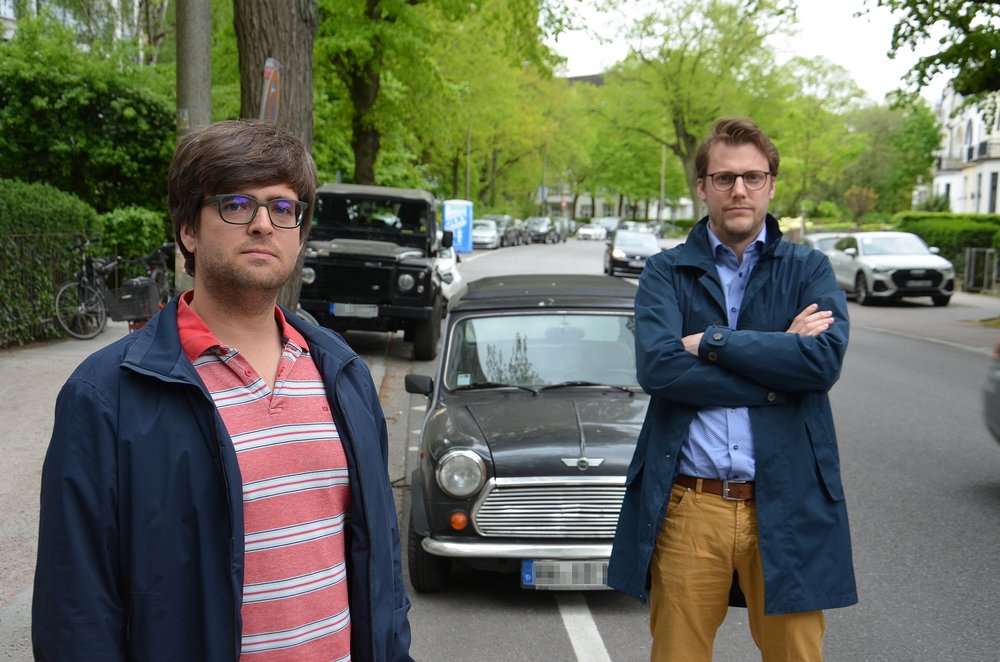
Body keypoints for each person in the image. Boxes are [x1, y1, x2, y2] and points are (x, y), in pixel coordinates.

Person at [32, 119, 413, 661]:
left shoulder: (341, 374)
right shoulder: (106, 395)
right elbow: (75, 610)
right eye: (237, 204)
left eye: (283, 209)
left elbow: (382, 571)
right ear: (189, 229)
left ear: (299, 233)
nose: (263, 224)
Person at [608, 117, 856, 661]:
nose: (739, 189)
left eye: (752, 177)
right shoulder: (665, 273)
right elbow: (659, 369)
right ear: (702, 187)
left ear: (771, 184)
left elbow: (820, 363)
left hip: (787, 502)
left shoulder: (809, 268)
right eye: (723, 178)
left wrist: (714, 341)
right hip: (691, 505)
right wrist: (775, 366)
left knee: (795, 654)